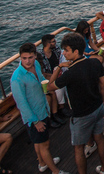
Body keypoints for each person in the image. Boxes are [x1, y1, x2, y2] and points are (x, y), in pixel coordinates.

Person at [47, 33, 104, 174]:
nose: (63, 53)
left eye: (66, 50)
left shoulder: (69, 74)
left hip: (81, 115)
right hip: (98, 107)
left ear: (75, 52)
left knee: (78, 148)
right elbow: (103, 85)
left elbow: (50, 86)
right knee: (100, 138)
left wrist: (58, 67)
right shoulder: (94, 63)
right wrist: (102, 100)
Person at [10, 43, 66, 174]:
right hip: (34, 117)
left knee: (38, 143)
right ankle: (55, 171)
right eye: (24, 58)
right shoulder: (17, 78)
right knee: (45, 145)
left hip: (42, 110)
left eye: (30, 57)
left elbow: (41, 79)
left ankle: (42, 163)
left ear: (35, 55)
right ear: (20, 58)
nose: (27, 61)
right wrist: (35, 121)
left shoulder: (35, 65)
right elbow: (21, 103)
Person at [37, 34, 67, 124]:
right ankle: (58, 111)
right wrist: (54, 76)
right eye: (53, 41)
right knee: (57, 88)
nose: (55, 43)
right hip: (48, 78)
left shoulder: (56, 50)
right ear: (48, 44)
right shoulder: (41, 56)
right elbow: (43, 73)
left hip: (58, 73)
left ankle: (63, 108)